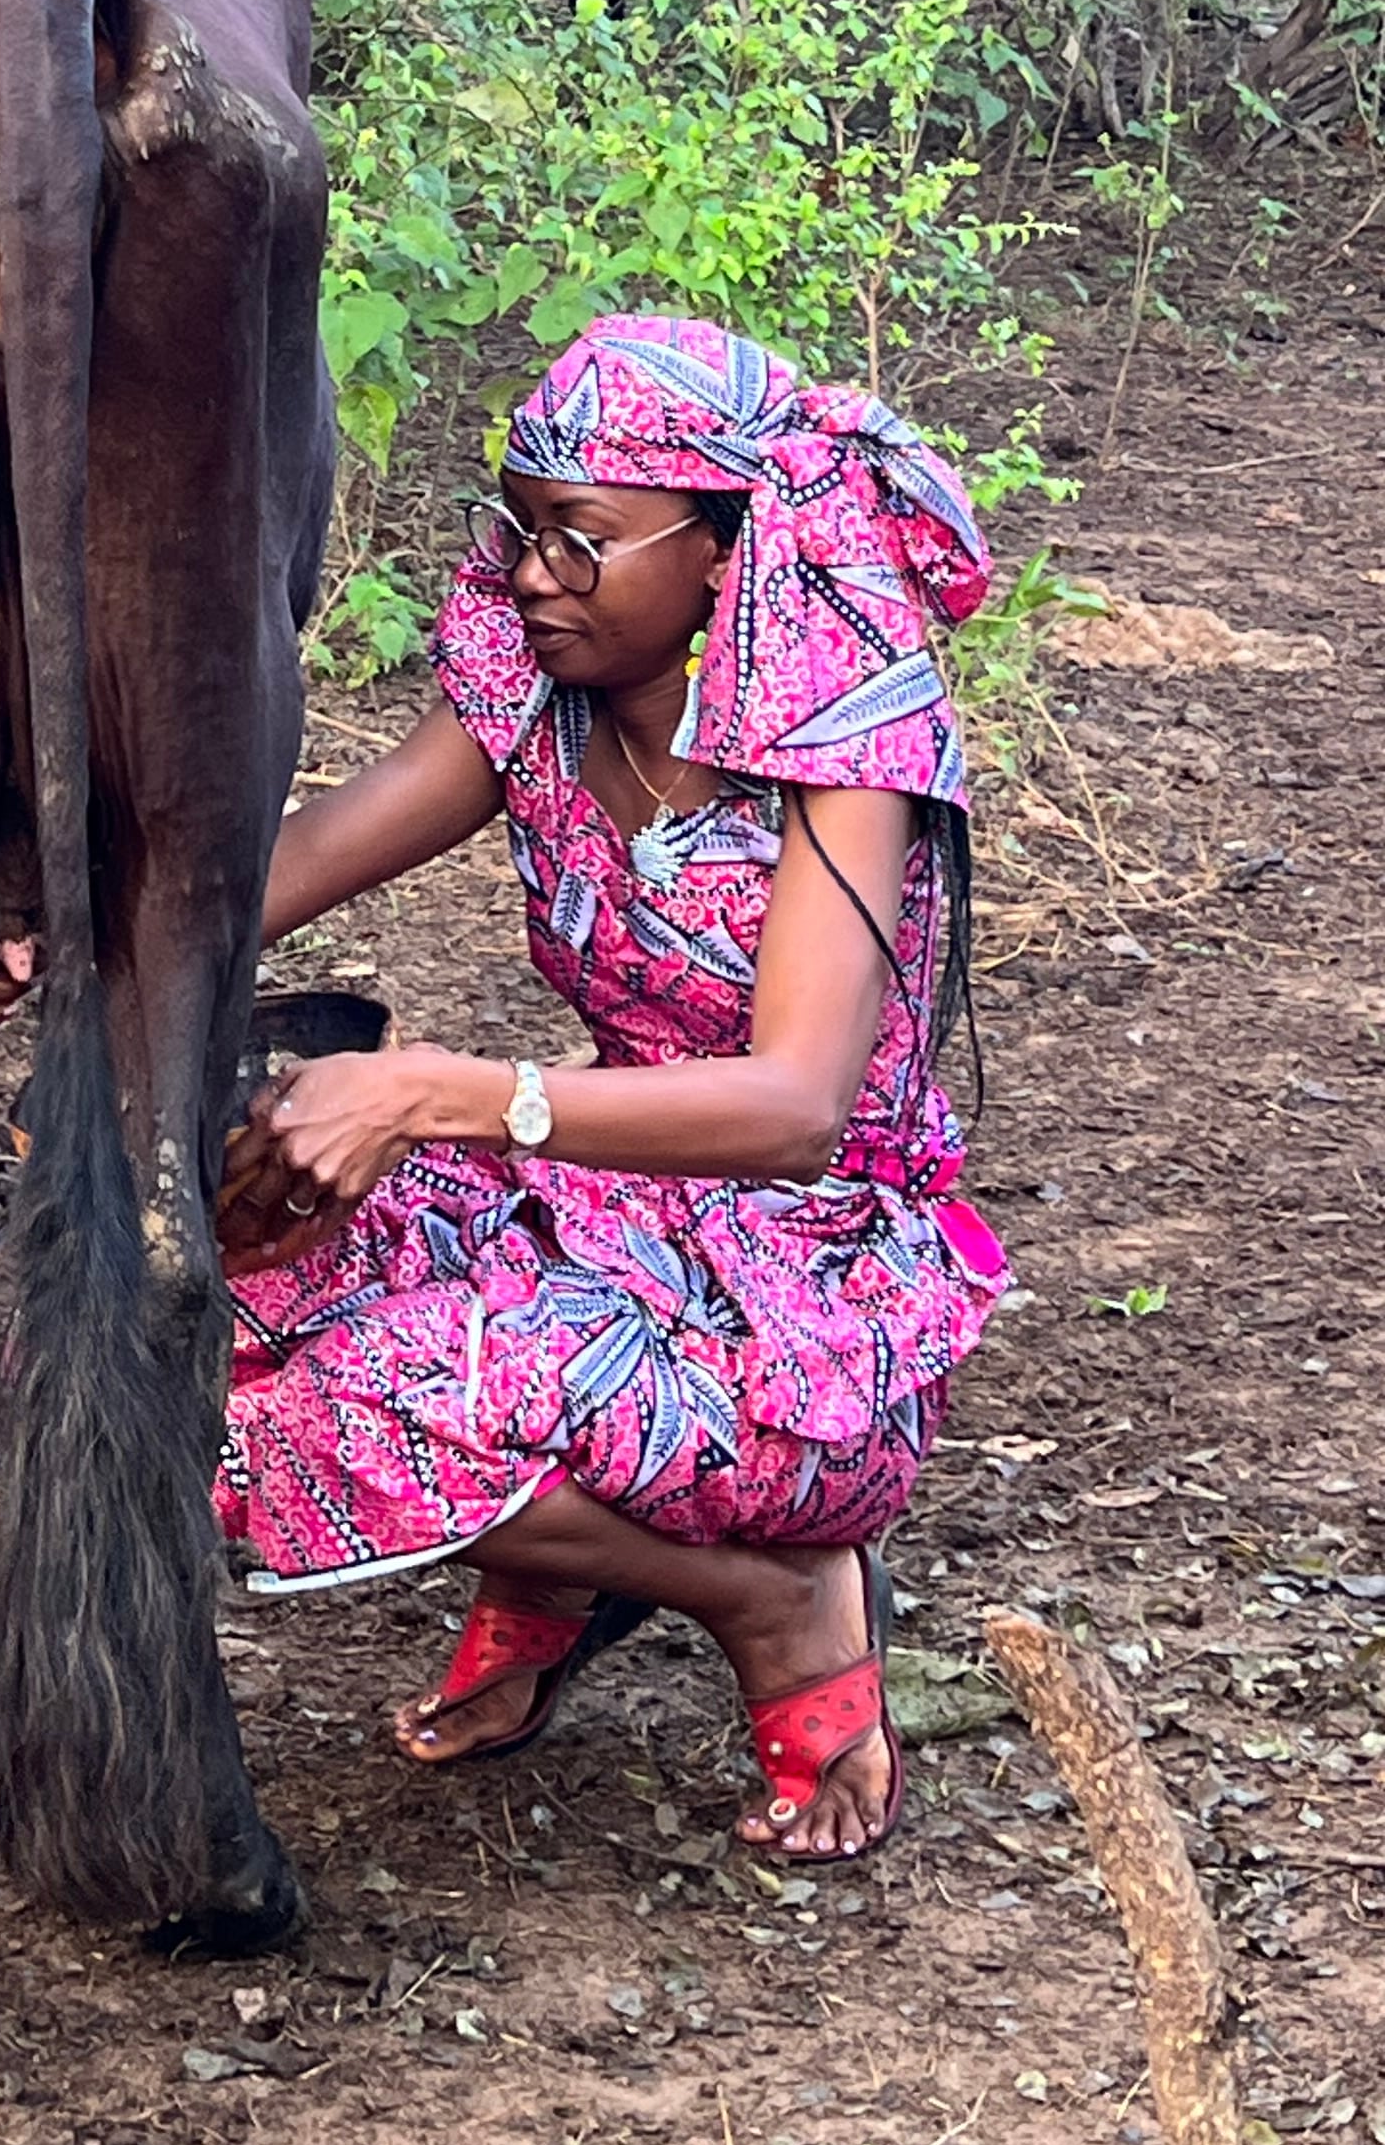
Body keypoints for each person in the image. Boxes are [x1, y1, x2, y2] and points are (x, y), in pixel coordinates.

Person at [210, 312, 1009, 1864]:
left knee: (340, 1409)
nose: (531, 578)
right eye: (516, 533)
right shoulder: (535, 699)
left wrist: (432, 1090)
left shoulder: (841, 763)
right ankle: (560, 1572)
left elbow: (794, 1110)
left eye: (581, 542)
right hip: (609, 1195)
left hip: (812, 1274)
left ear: (726, 552)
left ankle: (773, 1600)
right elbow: (278, 876)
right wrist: (42, 933)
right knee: (226, 1266)